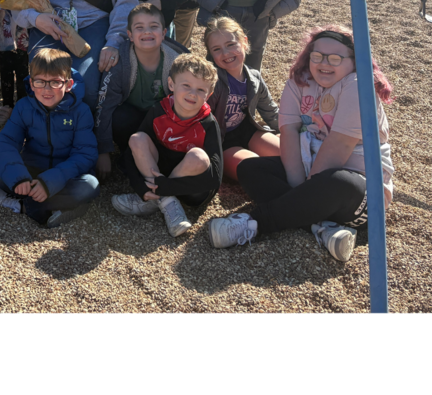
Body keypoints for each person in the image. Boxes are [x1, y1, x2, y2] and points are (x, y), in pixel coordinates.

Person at [209, 26, 395, 264]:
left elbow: (338, 145)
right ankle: (322, 229)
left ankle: (253, 223)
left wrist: (306, 192)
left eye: (336, 58)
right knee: (250, 169)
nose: (324, 63)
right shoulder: (300, 81)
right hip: (311, 172)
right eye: (317, 56)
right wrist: (301, 189)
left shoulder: (358, 85)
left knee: (337, 181)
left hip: (357, 191)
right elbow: (288, 133)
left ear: (354, 61)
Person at [0, 48, 99, 228]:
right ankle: (57, 207)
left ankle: (21, 205)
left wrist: (51, 181)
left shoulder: (81, 111)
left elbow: (85, 154)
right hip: (32, 169)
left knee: (89, 186)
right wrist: (19, 177)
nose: (47, 89)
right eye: (40, 82)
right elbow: (5, 142)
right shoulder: (24, 107)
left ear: (68, 84)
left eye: (55, 82)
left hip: (64, 175)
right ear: (31, 83)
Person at [112, 54, 222, 238]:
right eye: (186, 85)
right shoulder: (158, 110)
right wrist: (139, 187)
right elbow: (132, 153)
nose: (192, 94)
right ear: (171, 84)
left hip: (191, 190)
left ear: (209, 95)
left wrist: (167, 186)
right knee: (137, 139)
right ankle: (166, 202)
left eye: (201, 89)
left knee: (198, 157)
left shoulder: (209, 123)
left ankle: (156, 200)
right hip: (159, 174)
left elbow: (215, 178)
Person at [94, 3, 187, 178]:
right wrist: (103, 151)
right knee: (119, 117)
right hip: (134, 121)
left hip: (166, 120)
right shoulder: (119, 63)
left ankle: (164, 154)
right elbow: (104, 106)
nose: (147, 32)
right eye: (139, 27)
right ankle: (129, 153)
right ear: (129, 35)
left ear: (164, 33)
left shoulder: (179, 62)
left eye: (154, 26)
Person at [203, 16, 280, 181]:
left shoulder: (254, 77)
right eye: (216, 49)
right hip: (223, 142)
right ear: (210, 53)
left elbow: (271, 112)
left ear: (244, 42)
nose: (226, 53)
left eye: (231, 45)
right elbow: (198, 122)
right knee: (257, 172)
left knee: (291, 156)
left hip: (247, 131)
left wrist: (294, 132)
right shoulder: (211, 82)